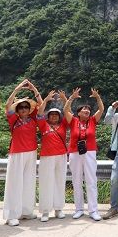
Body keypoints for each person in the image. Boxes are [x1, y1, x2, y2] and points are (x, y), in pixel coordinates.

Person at [3, 79, 44, 226]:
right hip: (17, 153)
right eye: (21, 107)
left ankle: (26, 211)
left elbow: (41, 104)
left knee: (28, 182)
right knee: (15, 183)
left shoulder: (33, 119)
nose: (24, 109)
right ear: (18, 110)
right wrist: (17, 89)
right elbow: (8, 106)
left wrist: (34, 89)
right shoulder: (13, 119)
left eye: (26, 107)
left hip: (31, 152)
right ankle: (11, 215)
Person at [65, 87, 104, 221]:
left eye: (88, 109)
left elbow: (101, 110)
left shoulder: (93, 121)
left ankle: (93, 210)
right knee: (76, 180)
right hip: (75, 153)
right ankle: (79, 209)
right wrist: (71, 98)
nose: (87, 110)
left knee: (91, 180)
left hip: (90, 152)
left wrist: (97, 97)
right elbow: (65, 110)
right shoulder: (73, 121)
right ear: (78, 113)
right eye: (84, 109)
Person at [37, 90, 69, 222]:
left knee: (59, 182)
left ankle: (58, 208)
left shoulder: (63, 125)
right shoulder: (43, 125)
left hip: (61, 156)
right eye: (52, 114)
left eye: (56, 114)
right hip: (46, 157)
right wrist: (46, 100)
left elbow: (68, 112)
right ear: (48, 116)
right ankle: (45, 211)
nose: (54, 116)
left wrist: (65, 100)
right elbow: (39, 113)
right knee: (46, 182)